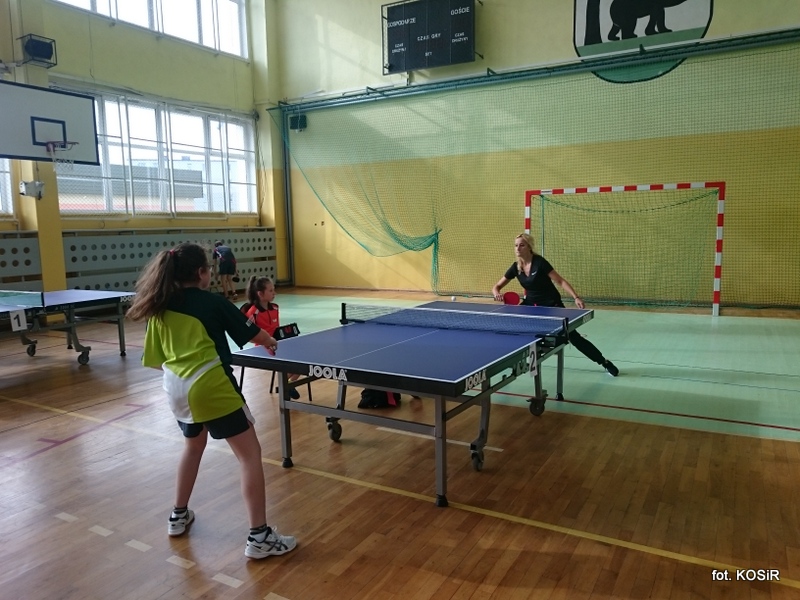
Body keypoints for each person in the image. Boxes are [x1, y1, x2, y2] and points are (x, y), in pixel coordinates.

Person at [127, 242, 297, 560]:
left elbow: (154, 361)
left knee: (193, 446)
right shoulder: (213, 302)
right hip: (210, 385)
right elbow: (255, 335)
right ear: (202, 273)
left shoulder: (159, 307)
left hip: (176, 389)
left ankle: (178, 515)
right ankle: (259, 536)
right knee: (250, 455)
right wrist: (271, 340)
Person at [492, 233, 619, 376]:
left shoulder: (540, 263)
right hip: (531, 304)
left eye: (522, 245)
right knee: (509, 326)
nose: (518, 248)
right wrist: (496, 292)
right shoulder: (516, 267)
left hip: (551, 304)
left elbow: (560, 281)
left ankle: (604, 362)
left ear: (529, 247)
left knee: (573, 336)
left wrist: (576, 297)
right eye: (516, 245)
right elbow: (496, 286)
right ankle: (511, 361)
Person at [242, 275, 302, 400]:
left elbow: (276, 329)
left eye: (274, 289)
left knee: (303, 357)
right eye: (270, 290)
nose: (274, 293)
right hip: (262, 349)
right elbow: (248, 335)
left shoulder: (275, 308)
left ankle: (288, 384)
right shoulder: (253, 312)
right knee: (293, 362)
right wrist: (264, 341)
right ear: (260, 294)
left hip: (277, 344)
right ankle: (286, 386)